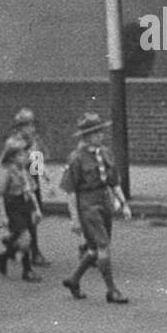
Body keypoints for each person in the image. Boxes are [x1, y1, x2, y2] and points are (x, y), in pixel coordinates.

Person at [59, 112, 130, 304]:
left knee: (94, 248)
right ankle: (112, 290)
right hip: (88, 204)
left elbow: (114, 181)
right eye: (97, 133)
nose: (101, 135)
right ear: (88, 136)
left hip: (104, 200)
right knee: (103, 245)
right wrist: (74, 219)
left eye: (101, 132)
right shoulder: (77, 158)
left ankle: (74, 280)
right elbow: (71, 191)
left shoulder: (105, 153)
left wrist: (123, 203)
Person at [0, 137, 41, 281]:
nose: (26, 156)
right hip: (13, 206)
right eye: (22, 154)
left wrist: (37, 209)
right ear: (13, 157)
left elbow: (31, 191)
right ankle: (27, 271)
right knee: (26, 238)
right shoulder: (8, 173)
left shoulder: (24, 171)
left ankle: (4, 256)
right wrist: (3, 216)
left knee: (25, 237)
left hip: (25, 205)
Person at [9, 108, 48, 266]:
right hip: (19, 184)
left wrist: (44, 177)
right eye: (28, 125)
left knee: (33, 217)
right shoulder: (15, 143)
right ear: (20, 127)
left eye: (32, 125)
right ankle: (32, 251)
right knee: (26, 217)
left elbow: (36, 162)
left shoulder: (33, 140)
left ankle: (28, 248)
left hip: (32, 181)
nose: (32, 128)